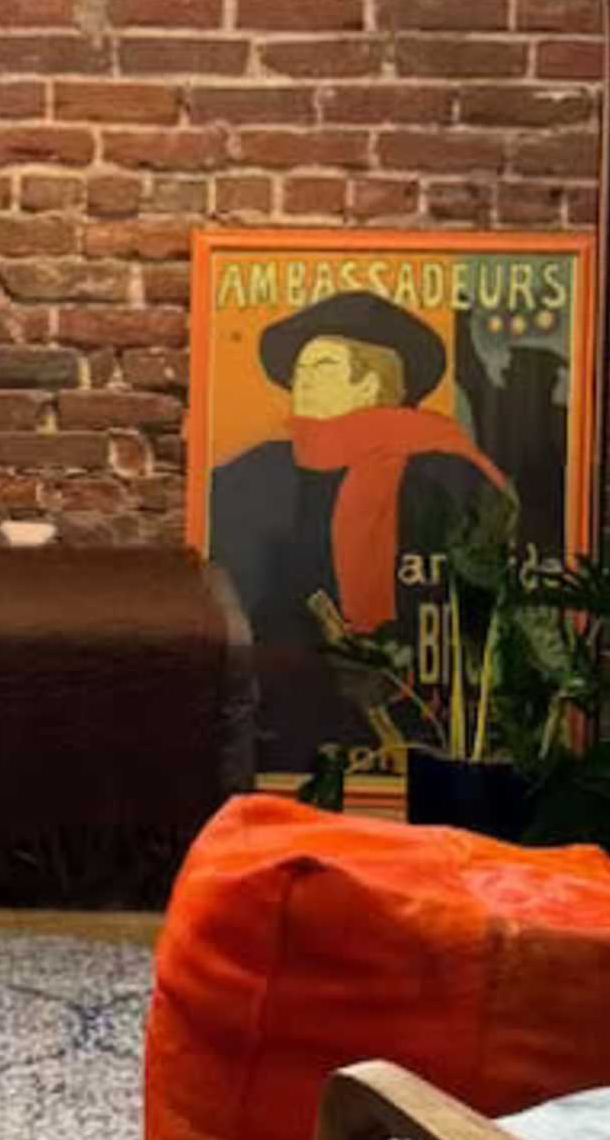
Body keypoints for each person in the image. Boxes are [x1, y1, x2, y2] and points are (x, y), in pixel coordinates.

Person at [203, 289, 510, 776]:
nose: (301, 380)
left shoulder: (445, 477)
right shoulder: (248, 476)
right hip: (286, 715)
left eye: (322, 367)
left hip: (422, 718)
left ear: (373, 384)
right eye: (299, 369)